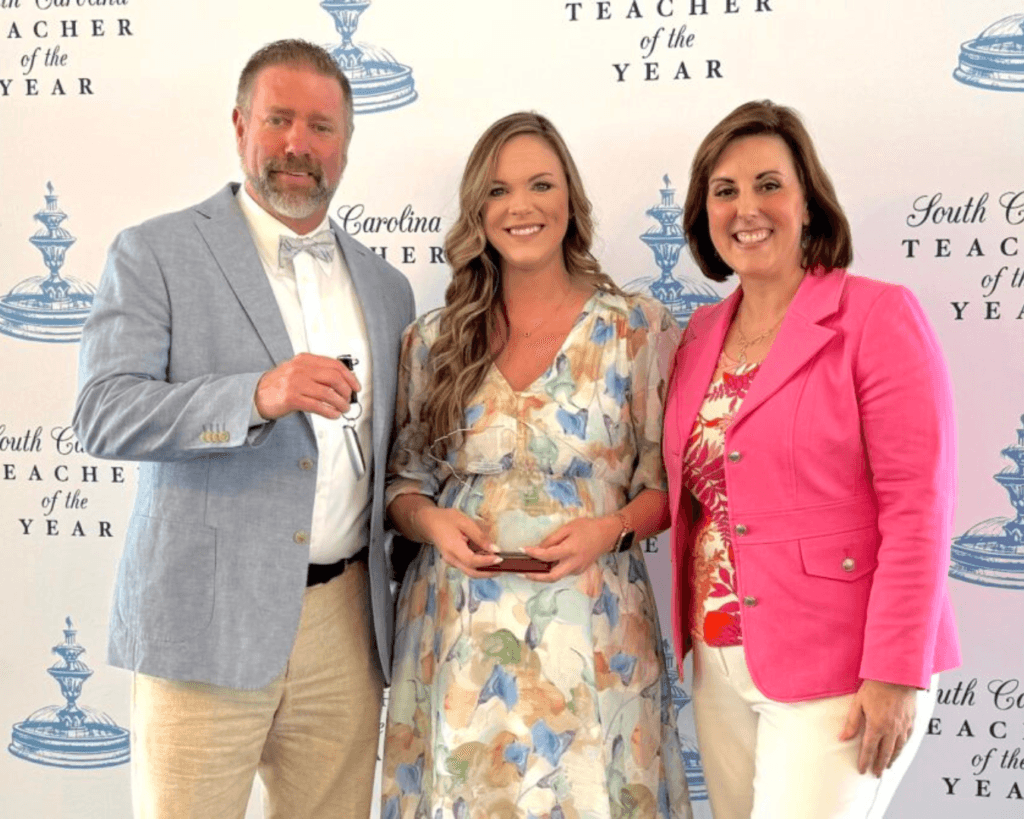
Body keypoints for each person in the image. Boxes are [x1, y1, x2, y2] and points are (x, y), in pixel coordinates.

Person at [73, 39, 414, 819]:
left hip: (344, 625)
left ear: (347, 144)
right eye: (280, 119)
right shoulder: (154, 252)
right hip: (201, 624)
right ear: (239, 125)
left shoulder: (388, 288)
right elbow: (102, 413)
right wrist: (256, 395)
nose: (299, 144)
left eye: (321, 126)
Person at [380, 112, 691, 819]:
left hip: (595, 628)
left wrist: (610, 528)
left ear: (570, 202)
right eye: (498, 190)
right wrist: (429, 520)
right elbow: (402, 481)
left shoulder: (636, 328)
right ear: (476, 211)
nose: (520, 206)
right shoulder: (433, 339)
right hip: (456, 635)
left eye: (540, 184)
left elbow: (667, 486)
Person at [663, 99, 961, 818]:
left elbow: (918, 510)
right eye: (725, 190)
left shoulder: (876, 317)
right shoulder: (699, 334)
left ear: (809, 201)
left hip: (841, 666)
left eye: (769, 184)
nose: (747, 207)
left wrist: (895, 672)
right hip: (718, 661)